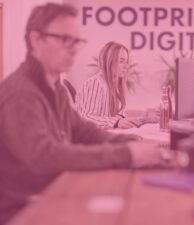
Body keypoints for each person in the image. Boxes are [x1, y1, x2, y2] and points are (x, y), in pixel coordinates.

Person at [0, 3, 175, 224]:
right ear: (36, 40)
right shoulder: (20, 94)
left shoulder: (57, 89)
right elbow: (46, 156)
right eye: (65, 40)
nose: (74, 48)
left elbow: (85, 132)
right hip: (24, 210)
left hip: (54, 192)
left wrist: (132, 143)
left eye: (76, 41)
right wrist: (127, 154)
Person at [75, 42, 147, 129]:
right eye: (121, 61)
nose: (126, 66)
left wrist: (125, 120)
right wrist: (116, 122)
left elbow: (114, 116)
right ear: (108, 62)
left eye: (126, 62)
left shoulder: (115, 85)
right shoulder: (95, 83)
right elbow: (87, 118)